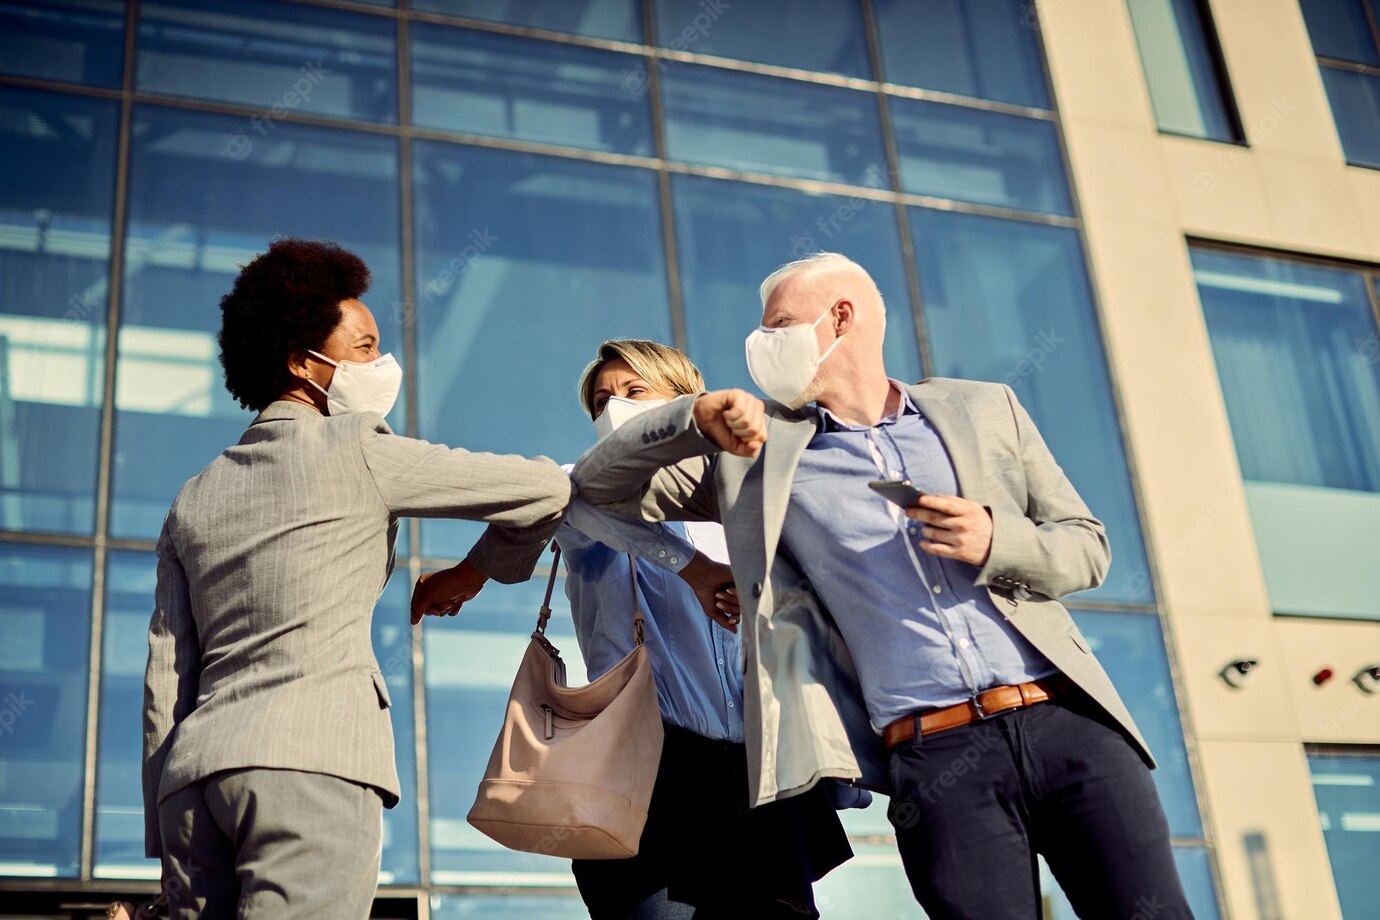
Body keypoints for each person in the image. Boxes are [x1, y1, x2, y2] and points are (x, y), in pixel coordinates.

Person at [570, 252, 1195, 919]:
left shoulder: (986, 409)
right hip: (934, 756)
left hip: (1067, 720)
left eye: (778, 325)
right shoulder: (759, 464)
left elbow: (1087, 545)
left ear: (841, 318)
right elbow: (589, 491)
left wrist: (997, 539)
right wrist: (687, 419)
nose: (761, 345)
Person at [142, 239, 575, 919]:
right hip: (312, 762)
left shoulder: (194, 497)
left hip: (192, 786)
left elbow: (167, 677)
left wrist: (163, 819)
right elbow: (547, 489)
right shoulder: (358, 449)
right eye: (366, 346)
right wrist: (473, 573)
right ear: (300, 362)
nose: (381, 365)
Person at [561, 340, 856, 918]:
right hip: (651, 781)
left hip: (762, 777)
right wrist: (690, 568)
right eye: (601, 401)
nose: (612, 410)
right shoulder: (590, 497)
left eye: (633, 392)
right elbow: (573, 499)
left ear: (685, 399)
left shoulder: (744, 502)